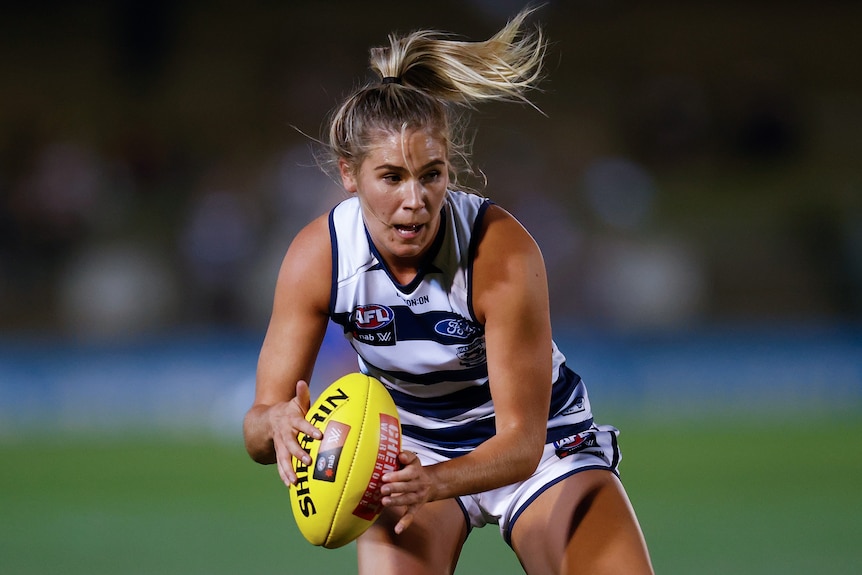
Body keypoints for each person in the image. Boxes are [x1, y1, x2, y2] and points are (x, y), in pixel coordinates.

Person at [243, 8, 654, 575]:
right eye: (391, 177)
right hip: (408, 450)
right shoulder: (319, 258)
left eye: (431, 174)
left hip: (542, 449)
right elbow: (260, 425)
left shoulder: (499, 251)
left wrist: (432, 483)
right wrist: (276, 426)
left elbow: (519, 444)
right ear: (348, 173)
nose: (415, 199)